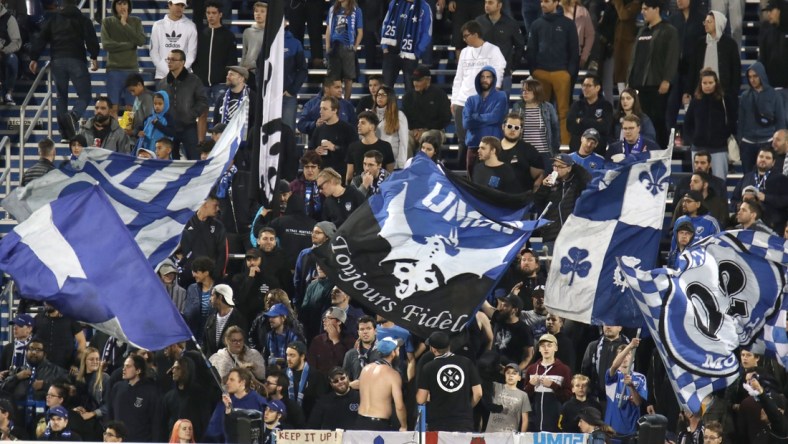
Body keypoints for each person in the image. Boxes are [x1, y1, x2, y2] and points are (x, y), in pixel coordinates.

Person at [28, 0, 99, 141]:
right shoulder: (82, 19)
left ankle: (64, 134)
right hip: (76, 60)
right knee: (85, 95)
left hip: (57, 61)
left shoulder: (53, 19)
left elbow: (41, 38)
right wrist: (94, 56)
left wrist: (34, 57)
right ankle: (73, 116)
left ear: (62, 5)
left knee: (61, 97)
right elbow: (91, 38)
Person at [451, 21, 506, 169]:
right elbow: (459, 77)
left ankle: (484, 171)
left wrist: (494, 91)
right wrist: (454, 99)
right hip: (462, 101)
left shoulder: (493, 50)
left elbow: (499, 70)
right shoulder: (464, 52)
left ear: (475, 34)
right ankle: (463, 172)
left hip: (482, 101)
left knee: (484, 139)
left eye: (466, 36)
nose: (464, 39)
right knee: (463, 140)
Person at [626, 0, 679, 149]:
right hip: (639, 85)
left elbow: (673, 56)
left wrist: (667, 79)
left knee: (658, 121)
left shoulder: (669, 30)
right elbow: (634, 58)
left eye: (646, 8)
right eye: (642, 9)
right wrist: (629, 80)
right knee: (640, 121)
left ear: (656, 9)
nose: (643, 11)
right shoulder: (642, 31)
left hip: (657, 85)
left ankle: (662, 150)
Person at [526, 0, 580, 145]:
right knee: (541, 111)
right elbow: (531, 49)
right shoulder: (536, 24)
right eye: (542, 1)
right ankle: (542, 143)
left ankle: (564, 144)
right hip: (541, 72)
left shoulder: (568, 24)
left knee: (564, 112)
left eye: (547, 1)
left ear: (556, 2)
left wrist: (569, 73)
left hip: (561, 73)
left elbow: (574, 51)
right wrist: (534, 71)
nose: (543, 4)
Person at [685, 11, 741, 131]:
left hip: (724, 93)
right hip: (701, 91)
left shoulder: (730, 44)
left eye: (709, 22)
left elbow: (735, 70)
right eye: (705, 21)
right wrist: (688, 90)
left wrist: (733, 92)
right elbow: (693, 69)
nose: (706, 24)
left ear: (719, 23)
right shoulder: (700, 43)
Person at [416, 331, 482, 432]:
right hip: (463, 422)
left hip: (438, 423)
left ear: (433, 349)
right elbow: (478, 393)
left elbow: (421, 399)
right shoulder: (466, 362)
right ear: (449, 345)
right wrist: (467, 408)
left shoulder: (428, 367)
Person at [683, 68, 735, 181]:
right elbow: (687, 124)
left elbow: (732, 122)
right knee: (698, 182)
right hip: (698, 148)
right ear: (700, 84)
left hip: (719, 148)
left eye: (710, 83)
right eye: (704, 83)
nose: (707, 86)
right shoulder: (695, 100)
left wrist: (722, 137)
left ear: (716, 83)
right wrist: (693, 139)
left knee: (719, 182)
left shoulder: (724, 99)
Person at [157, 49, 210, 160]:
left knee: (194, 160)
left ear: (182, 62)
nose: (169, 62)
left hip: (188, 127)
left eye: (173, 59)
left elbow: (203, 101)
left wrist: (191, 114)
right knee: (170, 163)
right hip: (169, 128)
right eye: (168, 59)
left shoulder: (194, 80)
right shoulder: (162, 83)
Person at [737, 62, 786, 175]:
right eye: (750, 77)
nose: (752, 79)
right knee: (748, 176)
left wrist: (779, 142)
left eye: (755, 76)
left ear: (762, 75)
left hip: (768, 141)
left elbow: (780, 120)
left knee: (769, 176)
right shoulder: (745, 96)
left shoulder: (775, 95)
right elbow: (741, 120)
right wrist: (741, 140)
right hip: (747, 142)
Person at [534, 154, 592, 245]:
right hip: (550, 233)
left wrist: (574, 165)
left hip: (571, 234)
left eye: (560, 166)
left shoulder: (577, 182)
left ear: (569, 169)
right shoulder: (548, 182)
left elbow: (588, 179)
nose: (556, 169)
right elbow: (536, 202)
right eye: (554, 166)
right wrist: (544, 187)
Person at [100, 0, 146, 115]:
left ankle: (129, 132)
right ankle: (114, 133)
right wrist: (129, 45)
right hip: (114, 70)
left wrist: (125, 24)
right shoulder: (107, 22)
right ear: (114, 6)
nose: (122, 7)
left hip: (132, 70)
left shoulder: (136, 21)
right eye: (119, 4)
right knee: (113, 108)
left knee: (131, 109)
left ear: (129, 6)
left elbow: (140, 41)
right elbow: (106, 45)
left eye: (124, 4)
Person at [463, 66, 508, 176]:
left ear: (493, 79)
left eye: (488, 77)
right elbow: (466, 123)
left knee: (492, 183)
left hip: (493, 149)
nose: (485, 79)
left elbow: (496, 117)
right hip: (473, 147)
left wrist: (476, 117)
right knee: (472, 183)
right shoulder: (470, 100)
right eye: (482, 77)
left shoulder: (501, 96)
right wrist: (486, 119)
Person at [523, 334, 572, 432]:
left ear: (556, 348)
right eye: (542, 346)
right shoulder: (531, 369)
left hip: (555, 423)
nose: (546, 348)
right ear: (539, 349)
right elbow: (525, 398)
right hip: (535, 422)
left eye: (549, 345)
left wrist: (552, 385)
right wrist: (531, 385)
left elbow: (568, 396)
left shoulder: (564, 369)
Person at [379, 0, 433, 91]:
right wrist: (384, 46)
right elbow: (385, 23)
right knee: (386, 89)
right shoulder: (394, 2)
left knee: (410, 90)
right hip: (391, 52)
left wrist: (418, 51)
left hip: (411, 54)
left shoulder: (424, 7)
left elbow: (427, 32)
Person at [731, 147, 788, 232]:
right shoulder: (747, 177)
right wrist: (741, 205)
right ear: (757, 159)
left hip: (773, 227)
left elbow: (785, 200)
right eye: (761, 157)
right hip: (747, 227)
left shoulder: (782, 179)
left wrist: (766, 197)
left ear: (773, 162)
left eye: (767, 158)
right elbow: (734, 200)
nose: (763, 160)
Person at [356, 337, 407, 431]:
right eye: (397, 349)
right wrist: (404, 426)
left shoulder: (365, 369)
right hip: (378, 425)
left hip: (360, 422)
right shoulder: (392, 374)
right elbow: (399, 406)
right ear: (393, 353)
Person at [193, 0, 238, 104]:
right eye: (208, 13)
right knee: (201, 114)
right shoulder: (199, 34)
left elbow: (232, 60)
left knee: (221, 113)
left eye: (214, 13)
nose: (210, 16)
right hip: (201, 82)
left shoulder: (228, 36)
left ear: (220, 14)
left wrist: (228, 77)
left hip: (221, 82)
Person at [205, 367, 268, 442]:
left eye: (232, 380)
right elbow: (213, 430)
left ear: (242, 382)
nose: (227, 382)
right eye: (228, 379)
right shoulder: (224, 403)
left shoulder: (259, 402)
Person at [476, 0, 525, 94]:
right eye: (486, 2)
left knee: (503, 105)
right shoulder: (478, 22)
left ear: (499, 5)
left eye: (490, 3)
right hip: (481, 71)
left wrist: (512, 67)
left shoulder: (511, 24)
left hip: (504, 73)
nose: (486, 5)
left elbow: (520, 46)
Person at [108, 355, 161, 442]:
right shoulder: (117, 388)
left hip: (141, 441)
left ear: (138, 370)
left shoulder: (150, 392)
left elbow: (156, 422)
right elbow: (110, 415)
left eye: (128, 366)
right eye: (124, 366)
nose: (123, 369)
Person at [402, 66, 452, 155]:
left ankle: (425, 167)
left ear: (428, 80)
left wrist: (425, 129)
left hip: (435, 130)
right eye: (414, 80)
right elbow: (404, 117)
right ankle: (408, 167)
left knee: (426, 138)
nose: (415, 83)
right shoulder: (408, 96)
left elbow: (445, 118)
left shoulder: (439, 94)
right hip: (414, 131)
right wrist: (414, 129)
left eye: (419, 80)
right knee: (405, 139)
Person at [512, 78, 560, 171]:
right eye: (523, 90)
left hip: (544, 152)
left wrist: (555, 152)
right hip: (524, 153)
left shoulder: (548, 107)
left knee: (545, 182)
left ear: (536, 91)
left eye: (528, 90)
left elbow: (555, 130)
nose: (525, 93)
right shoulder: (517, 107)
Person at [179, 195, 227, 287]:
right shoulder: (184, 222)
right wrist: (183, 265)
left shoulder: (218, 226)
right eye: (215, 205)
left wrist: (217, 274)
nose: (217, 209)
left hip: (208, 277)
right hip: (188, 275)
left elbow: (223, 253)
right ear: (205, 204)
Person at [604, 338, 646, 436]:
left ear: (633, 358)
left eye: (628, 354)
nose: (624, 358)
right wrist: (630, 346)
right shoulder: (613, 377)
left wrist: (631, 386)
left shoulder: (640, 378)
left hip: (631, 431)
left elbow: (638, 402)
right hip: (611, 431)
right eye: (622, 354)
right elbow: (614, 366)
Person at [309, 96, 358, 177]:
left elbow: (354, 153)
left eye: (325, 109)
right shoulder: (318, 129)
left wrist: (334, 147)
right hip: (322, 174)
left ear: (334, 110)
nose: (320, 111)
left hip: (342, 175)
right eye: (320, 108)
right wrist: (315, 152)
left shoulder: (348, 129)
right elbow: (310, 150)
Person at [150, 0, 197, 81]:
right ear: (169, 5)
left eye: (182, 5)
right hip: (162, 76)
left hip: (184, 76)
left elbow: (191, 54)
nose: (180, 8)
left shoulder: (191, 26)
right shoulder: (158, 25)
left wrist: (179, 71)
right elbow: (154, 52)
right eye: (177, 5)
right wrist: (168, 71)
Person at [325, 0, 363, 99]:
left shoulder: (356, 10)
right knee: (334, 78)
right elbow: (328, 29)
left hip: (348, 46)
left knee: (348, 78)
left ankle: (346, 102)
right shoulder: (332, 9)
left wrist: (355, 47)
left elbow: (360, 31)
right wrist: (328, 46)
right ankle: (334, 101)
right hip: (335, 46)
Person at [567, 74, 614, 153]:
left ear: (597, 88)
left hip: (598, 152)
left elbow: (605, 128)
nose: (585, 88)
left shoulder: (606, 106)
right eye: (583, 85)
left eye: (589, 86)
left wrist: (581, 121)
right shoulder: (576, 105)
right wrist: (595, 122)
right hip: (576, 151)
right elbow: (570, 126)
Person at [71, 347, 110, 441]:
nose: (95, 361)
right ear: (84, 361)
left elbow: (109, 404)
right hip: (80, 421)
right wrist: (77, 408)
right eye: (91, 359)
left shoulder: (105, 378)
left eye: (97, 359)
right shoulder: (78, 379)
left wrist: (92, 413)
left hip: (97, 424)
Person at [499, 113, 545, 191]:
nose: (513, 130)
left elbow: (539, 174)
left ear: (521, 130)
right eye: (509, 126)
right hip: (494, 196)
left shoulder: (530, 150)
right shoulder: (493, 148)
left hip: (520, 198)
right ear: (503, 127)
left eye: (516, 128)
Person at [346, 111, 395, 182]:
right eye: (358, 122)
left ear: (372, 127)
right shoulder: (353, 147)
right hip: (359, 189)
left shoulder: (386, 146)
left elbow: (390, 174)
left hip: (380, 190)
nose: (358, 125)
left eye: (363, 123)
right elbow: (349, 175)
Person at [285, 341, 328, 420]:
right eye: (287, 355)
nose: (288, 359)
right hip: (288, 421)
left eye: (292, 355)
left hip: (310, 421)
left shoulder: (316, 375)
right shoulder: (283, 375)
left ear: (302, 356)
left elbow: (321, 402)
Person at [307, 307, 356, 375]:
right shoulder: (317, 341)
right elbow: (311, 366)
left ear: (339, 321)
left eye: (328, 318)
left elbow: (347, 367)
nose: (324, 320)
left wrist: (335, 340)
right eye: (324, 318)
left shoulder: (351, 342)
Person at [372, 85, 409, 169]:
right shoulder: (371, 115)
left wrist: (401, 163)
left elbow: (403, 141)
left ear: (390, 97)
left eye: (383, 95)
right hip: (374, 159)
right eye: (378, 95)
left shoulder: (399, 115)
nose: (380, 97)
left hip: (392, 160)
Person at [486, 363, 531, 432]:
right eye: (508, 373)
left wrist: (522, 436)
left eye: (514, 373)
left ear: (519, 378)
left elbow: (525, 419)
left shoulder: (523, 395)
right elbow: (485, 377)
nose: (511, 375)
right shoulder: (496, 387)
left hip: (510, 435)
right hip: (491, 434)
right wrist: (499, 369)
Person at [759, 0, 788, 89]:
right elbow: (763, 59)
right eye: (768, 11)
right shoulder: (766, 31)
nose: (768, 14)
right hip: (771, 87)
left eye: (771, 11)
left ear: (780, 11)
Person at [343, 315, 379, 384]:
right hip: (357, 393)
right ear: (358, 332)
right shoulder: (350, 354)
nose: (365, 332)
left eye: (368, 328)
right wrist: (350, 385)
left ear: (375, 331)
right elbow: (345, 379)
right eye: (362, 329)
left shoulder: (383, 352)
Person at [561, 0, 594, 70]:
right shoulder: (557, 9)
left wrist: (584, 57)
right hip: (558, 55)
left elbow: (590, 35)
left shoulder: (583, 11)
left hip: (576, 55)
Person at [0, 1, 21, 106]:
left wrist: (3, 51)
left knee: (12, 59)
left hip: (3, 54)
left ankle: (8, 93)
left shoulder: (9, 19)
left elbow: (17, 42)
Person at [126, 73, 154, 145]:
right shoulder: (138, 96)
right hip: (137, 135)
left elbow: (149, 120)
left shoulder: (147, 97)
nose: (132, 94)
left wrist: (133, 132)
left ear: (139, 85)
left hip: (145, 137)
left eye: (133, 90)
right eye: (130, 91)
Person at [241, 2, 266, 78]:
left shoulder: (270, 34)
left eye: (262, 11)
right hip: (248, 72)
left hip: (263, 71)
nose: (258, 14)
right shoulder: (247, 32)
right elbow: (244, 54)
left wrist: (252, 65)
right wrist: (241, 70)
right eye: (256, 11)